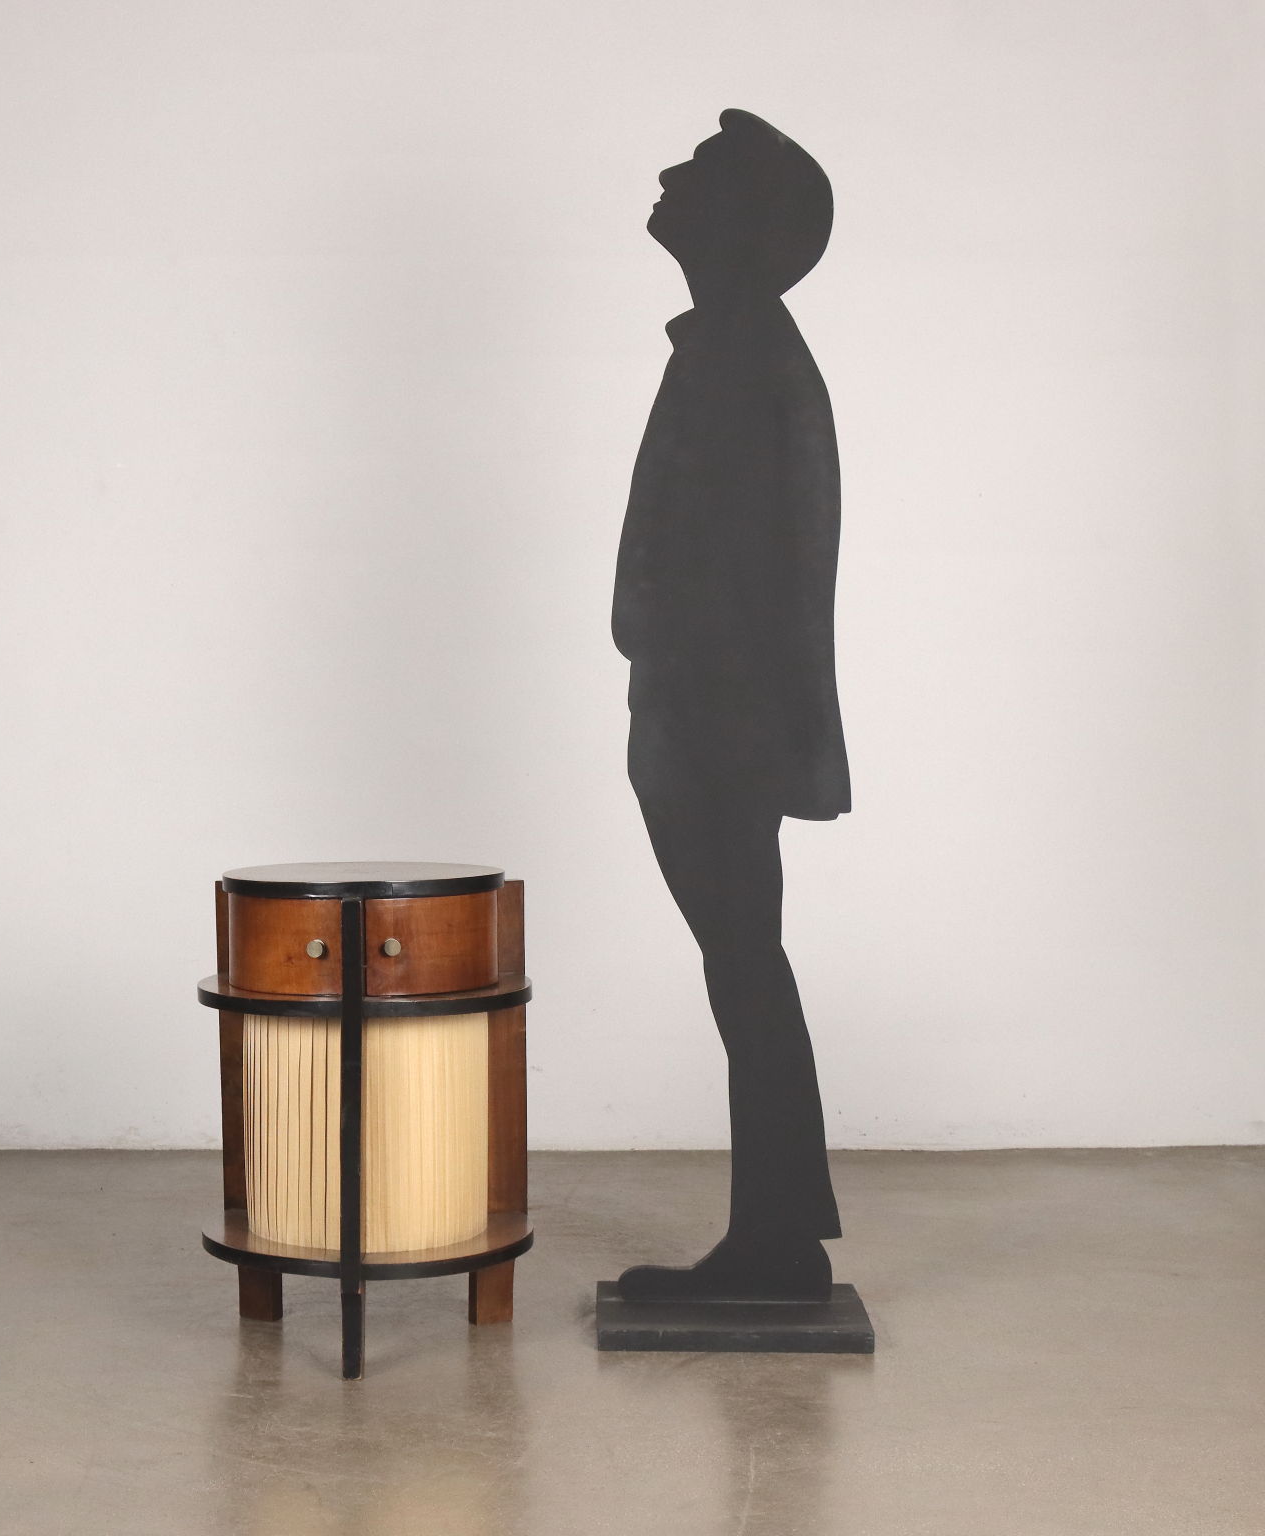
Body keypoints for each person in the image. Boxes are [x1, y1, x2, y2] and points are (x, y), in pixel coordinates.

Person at [611, 109, 849, 1302]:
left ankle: (776, 1242)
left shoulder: (743, 357)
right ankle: (780, 1230)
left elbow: (752, 567)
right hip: (708, 710)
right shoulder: (735, 349)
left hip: (719, 717)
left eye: (700, 171)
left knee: (744, 959)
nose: (669, 175)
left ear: (744, 223)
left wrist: (707, 715)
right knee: (744, 959)